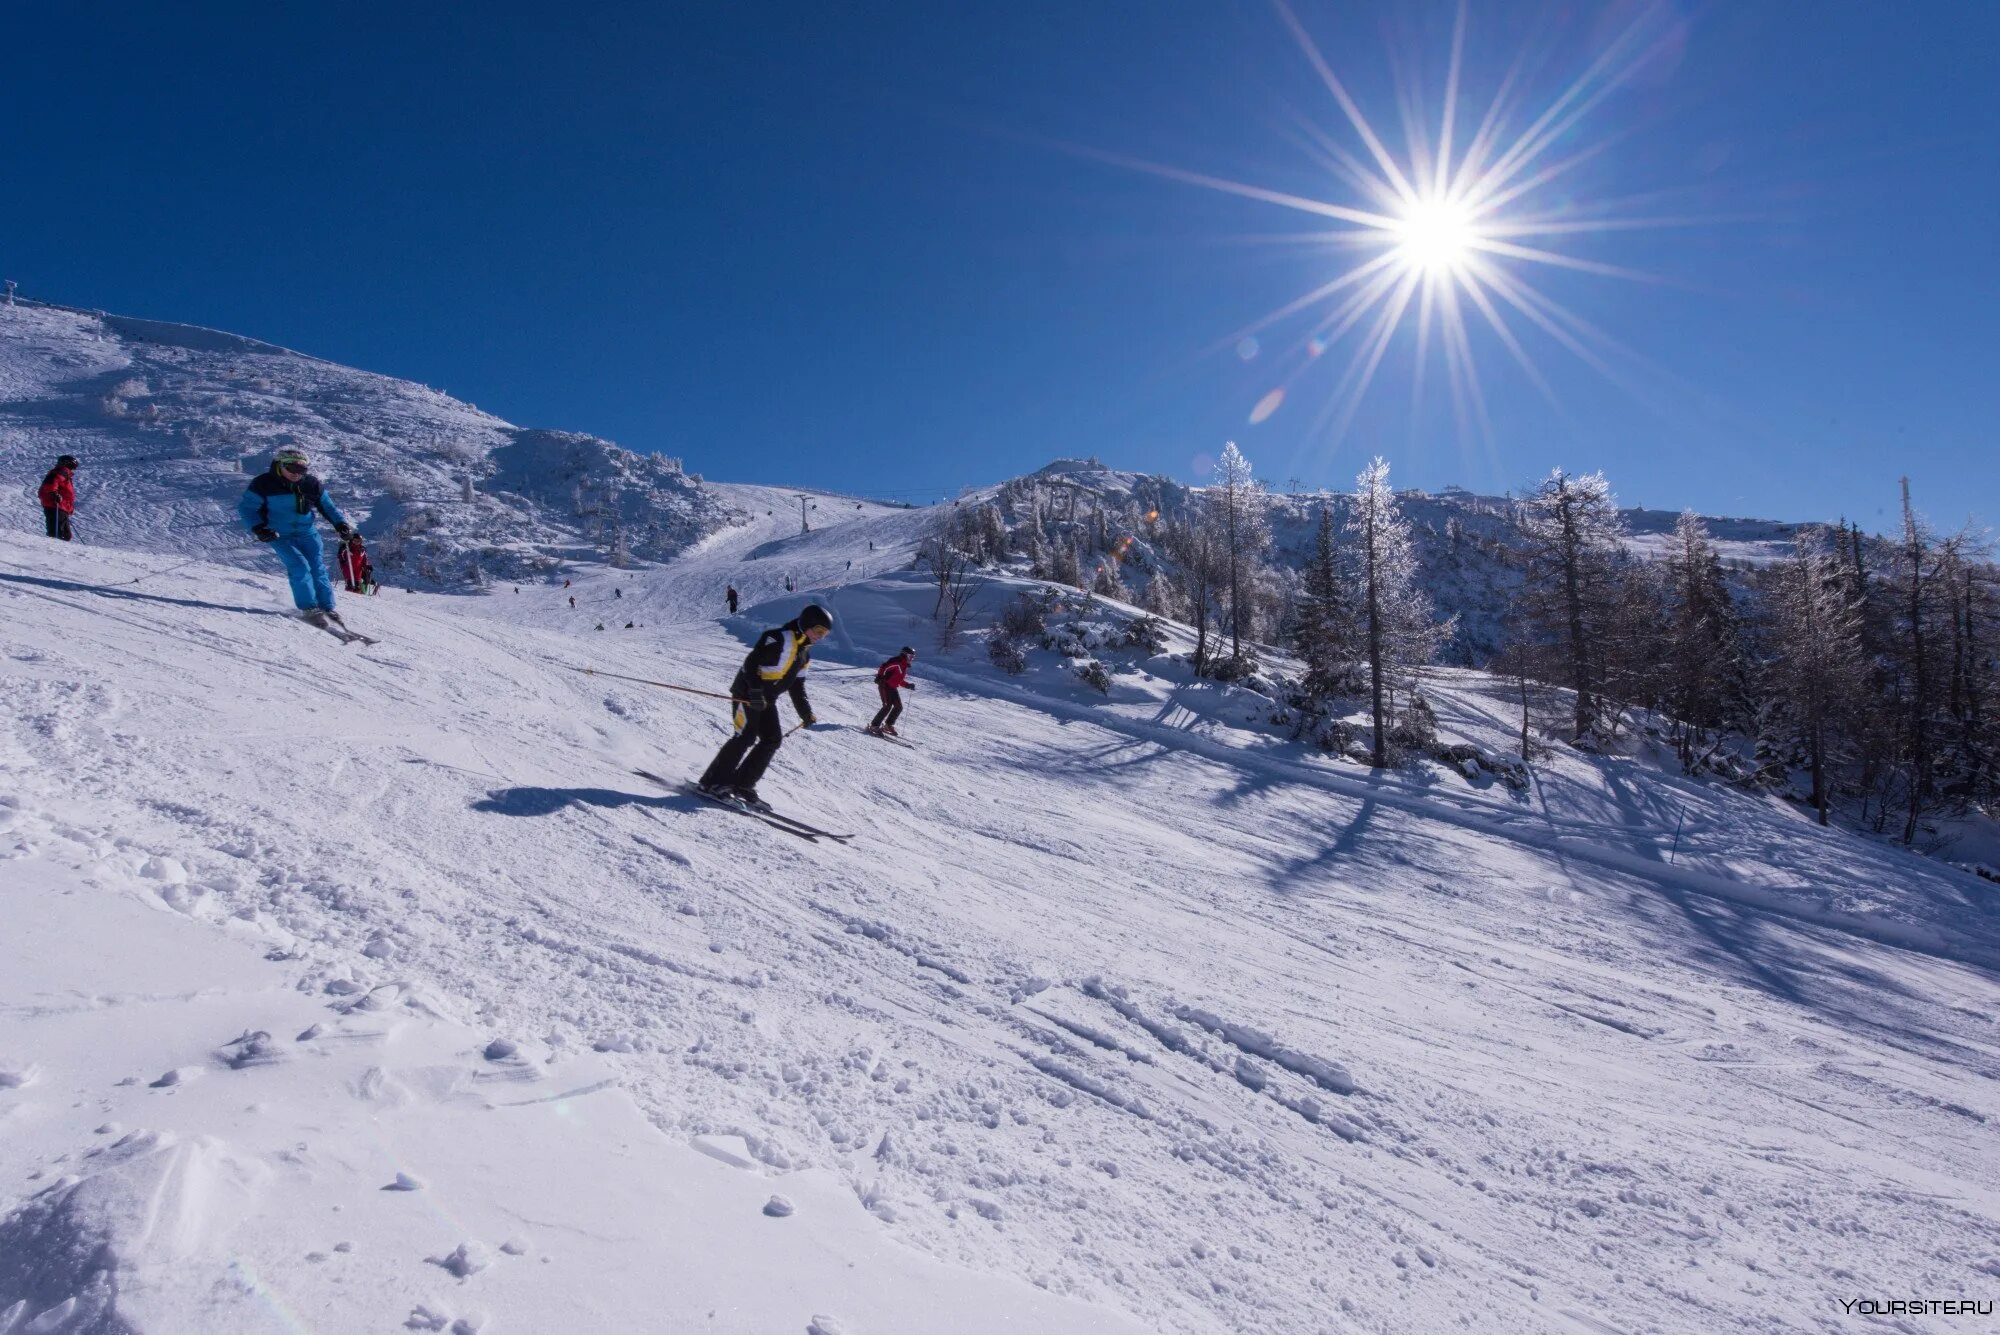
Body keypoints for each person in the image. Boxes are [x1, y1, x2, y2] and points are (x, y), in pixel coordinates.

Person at [697, 604, 830, 808]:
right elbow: (751, 663)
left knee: (772, 739)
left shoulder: (804, 654)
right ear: (807, 624)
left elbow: (797, 686)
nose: (821, 637)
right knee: (745, 736)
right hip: (747, 693)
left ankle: (742, 784)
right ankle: (713, 783)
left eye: (825, 634)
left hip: (767, 699)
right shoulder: (779, 638)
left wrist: (806, 713)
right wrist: (755, 692)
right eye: (819, 631)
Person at [238, 447, 353, 626]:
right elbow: (247, 508)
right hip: (280, 535)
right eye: (292, 469)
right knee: (299, 566)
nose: (296, 474)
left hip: (308, 533)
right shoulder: (263, 484)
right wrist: (260, 529)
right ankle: (309, 608)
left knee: (317, 568)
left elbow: (328, 507)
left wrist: (341, 524)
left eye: (302, 470)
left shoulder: (311, 484)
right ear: (280, 465)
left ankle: (327, 607)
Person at [868, 647, 917, 736]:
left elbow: (898, 680)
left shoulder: (904, 665)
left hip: (892, 687)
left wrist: (908, 685)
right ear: (905, 654)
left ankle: (888, 725)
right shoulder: (897, 661)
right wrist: (880, 676)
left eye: (913, 657)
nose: (912, 659)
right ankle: (874, 726)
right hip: (884, 685)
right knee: (887, 706)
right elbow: (884, 667)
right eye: (910, 656)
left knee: (898, 707)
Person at [37, 455, 78, 540]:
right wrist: (54, 494)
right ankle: (53, 551)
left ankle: (59, 551)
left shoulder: (65, 473)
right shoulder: (61, 471)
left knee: (65, 535)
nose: (73, 468)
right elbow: (51, 483)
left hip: (61, 506)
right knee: (58, 533)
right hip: (56, 505)